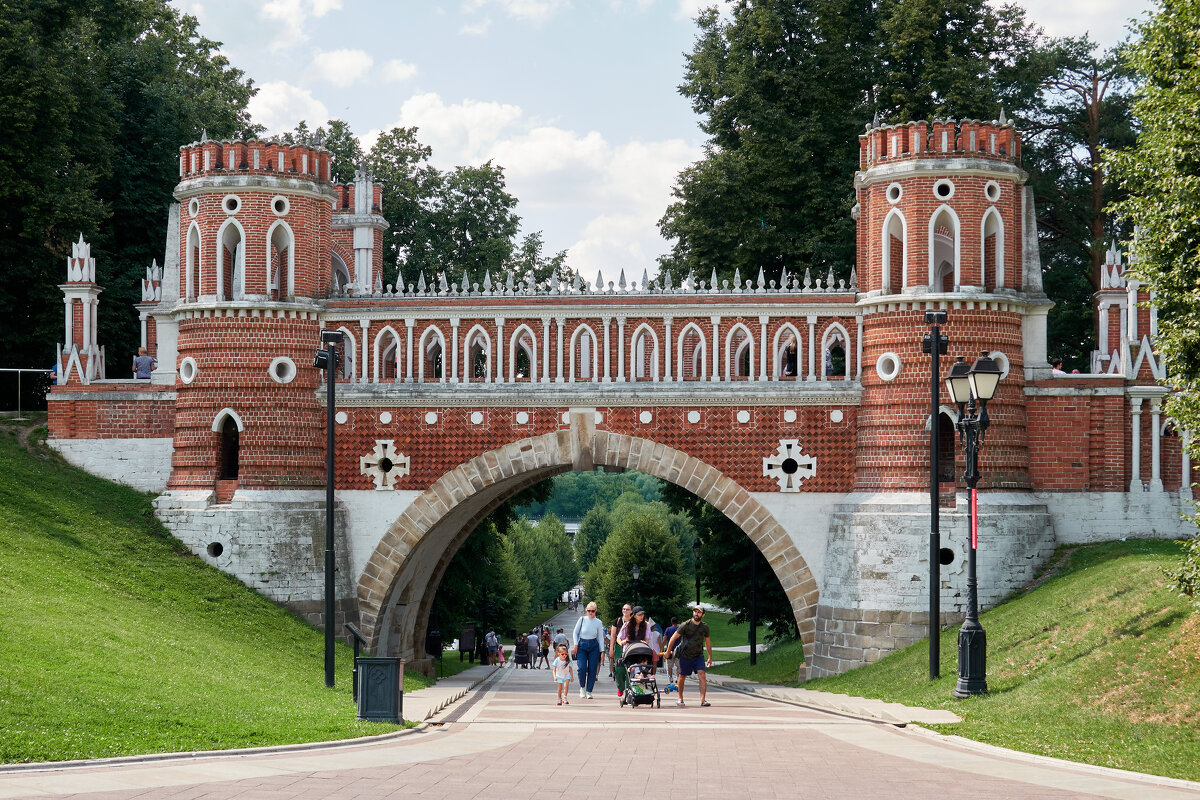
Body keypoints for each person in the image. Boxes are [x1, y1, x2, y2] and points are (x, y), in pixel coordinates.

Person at [663, 605, 713, 707]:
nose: (696, 613)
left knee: (702, 674)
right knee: (682, 676)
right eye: (695, 611)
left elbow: (708, 643)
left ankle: (703, 700)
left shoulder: (705, 627)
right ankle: (680, 698)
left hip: (698, 655)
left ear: (703, 615)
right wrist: (668, 651)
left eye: (699, 612)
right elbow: (673, 638)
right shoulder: (685, 625)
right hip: (685, 655)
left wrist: (710, 657)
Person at [571, 601, 605, 699]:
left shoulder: (598, 622)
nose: (590, 613)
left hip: (594, 645)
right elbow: (575, 632)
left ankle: (589, 690)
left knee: (592, 669)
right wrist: (576, 644)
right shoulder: (582, 619)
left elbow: (600, 637)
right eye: (589, 611)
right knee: (581, 668)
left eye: (593, 611)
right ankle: (582, 687)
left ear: (595, 611)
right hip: (582, 645)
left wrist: (602, 651)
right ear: (586, 611)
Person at [608, 603, 633, 698]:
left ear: (631, 611)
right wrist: (611, 649)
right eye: (624, 609)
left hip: (631, 646)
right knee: (619, 669)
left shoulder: (634, 621)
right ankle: (620, 686)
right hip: (619, 647)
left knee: (630, 668)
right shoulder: (617, 621)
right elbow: (613, 636)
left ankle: (628, 689)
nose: (625, 611)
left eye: (627, 609)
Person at [662, 616, 680, 684]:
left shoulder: (668, 629)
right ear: (677, 622)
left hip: (669, 650)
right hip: (678, 649)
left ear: (671, 622)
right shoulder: (679, 629)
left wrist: (662, 648)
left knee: (669, 665)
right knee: (678, 665)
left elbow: (664, 639)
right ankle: (677, 677)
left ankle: (670, 677)